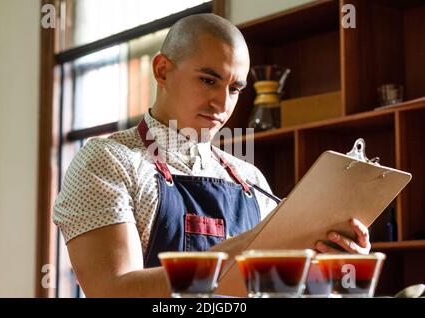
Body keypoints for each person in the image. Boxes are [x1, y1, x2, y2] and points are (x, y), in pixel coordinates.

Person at [53, 13, 371, 297]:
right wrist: (250, 246)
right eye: (209, 80)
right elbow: (114, 291)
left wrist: (332, 272)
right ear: (162, 71)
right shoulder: (107, 160)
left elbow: (279, 290)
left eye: (234, 89)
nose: (222, 104)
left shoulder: (250, 180)